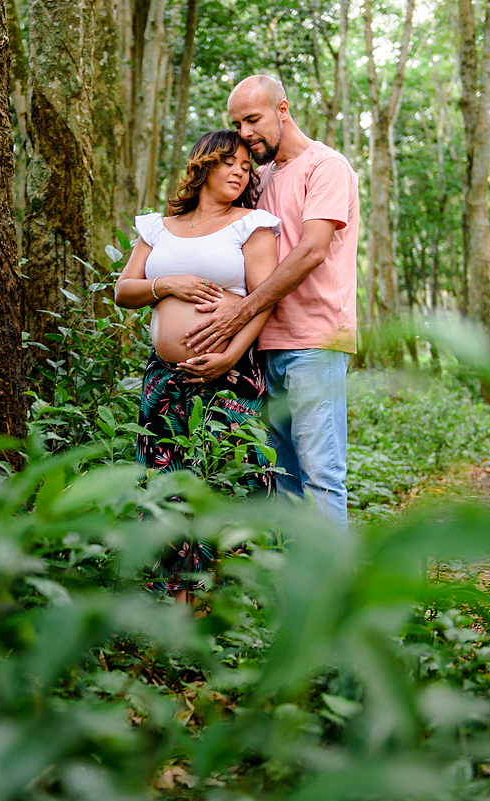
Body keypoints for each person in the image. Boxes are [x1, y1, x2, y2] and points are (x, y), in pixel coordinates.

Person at [183, 75, 359, 530]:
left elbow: (311, 250)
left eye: (253, 119)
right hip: (265, 345)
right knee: (285, 481)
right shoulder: (257, 178)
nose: (245, 133)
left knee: (322, 475)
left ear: (283, 110)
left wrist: (239, 310)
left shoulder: (326, 166)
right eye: (237, 123)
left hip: (315, 342)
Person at [113, 129, 281, 601]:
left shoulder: (253, 224)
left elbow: (263, 301)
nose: (239, 172)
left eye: (247, 168)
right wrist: (167, 284)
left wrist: (229, 355)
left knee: (229, 478)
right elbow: (124, 290)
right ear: (204, 163)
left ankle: (222, 601)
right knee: (167, 482)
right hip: (165, 380)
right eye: (231, 162)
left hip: (228, 377)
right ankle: (173, 600)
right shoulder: (159, 227)